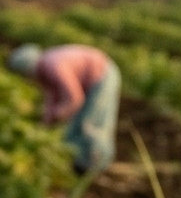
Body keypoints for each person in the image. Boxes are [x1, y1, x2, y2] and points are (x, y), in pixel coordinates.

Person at [8, 42, 122, 175]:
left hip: (103, 74)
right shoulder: (45, 71)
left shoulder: (54, 66)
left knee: (91, 123)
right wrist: (44, 124)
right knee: (79, 123)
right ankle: (80, 162)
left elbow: (75, 100)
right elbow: (52, 99)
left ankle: (95, 165)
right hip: (93, 77)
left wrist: (59, 115)